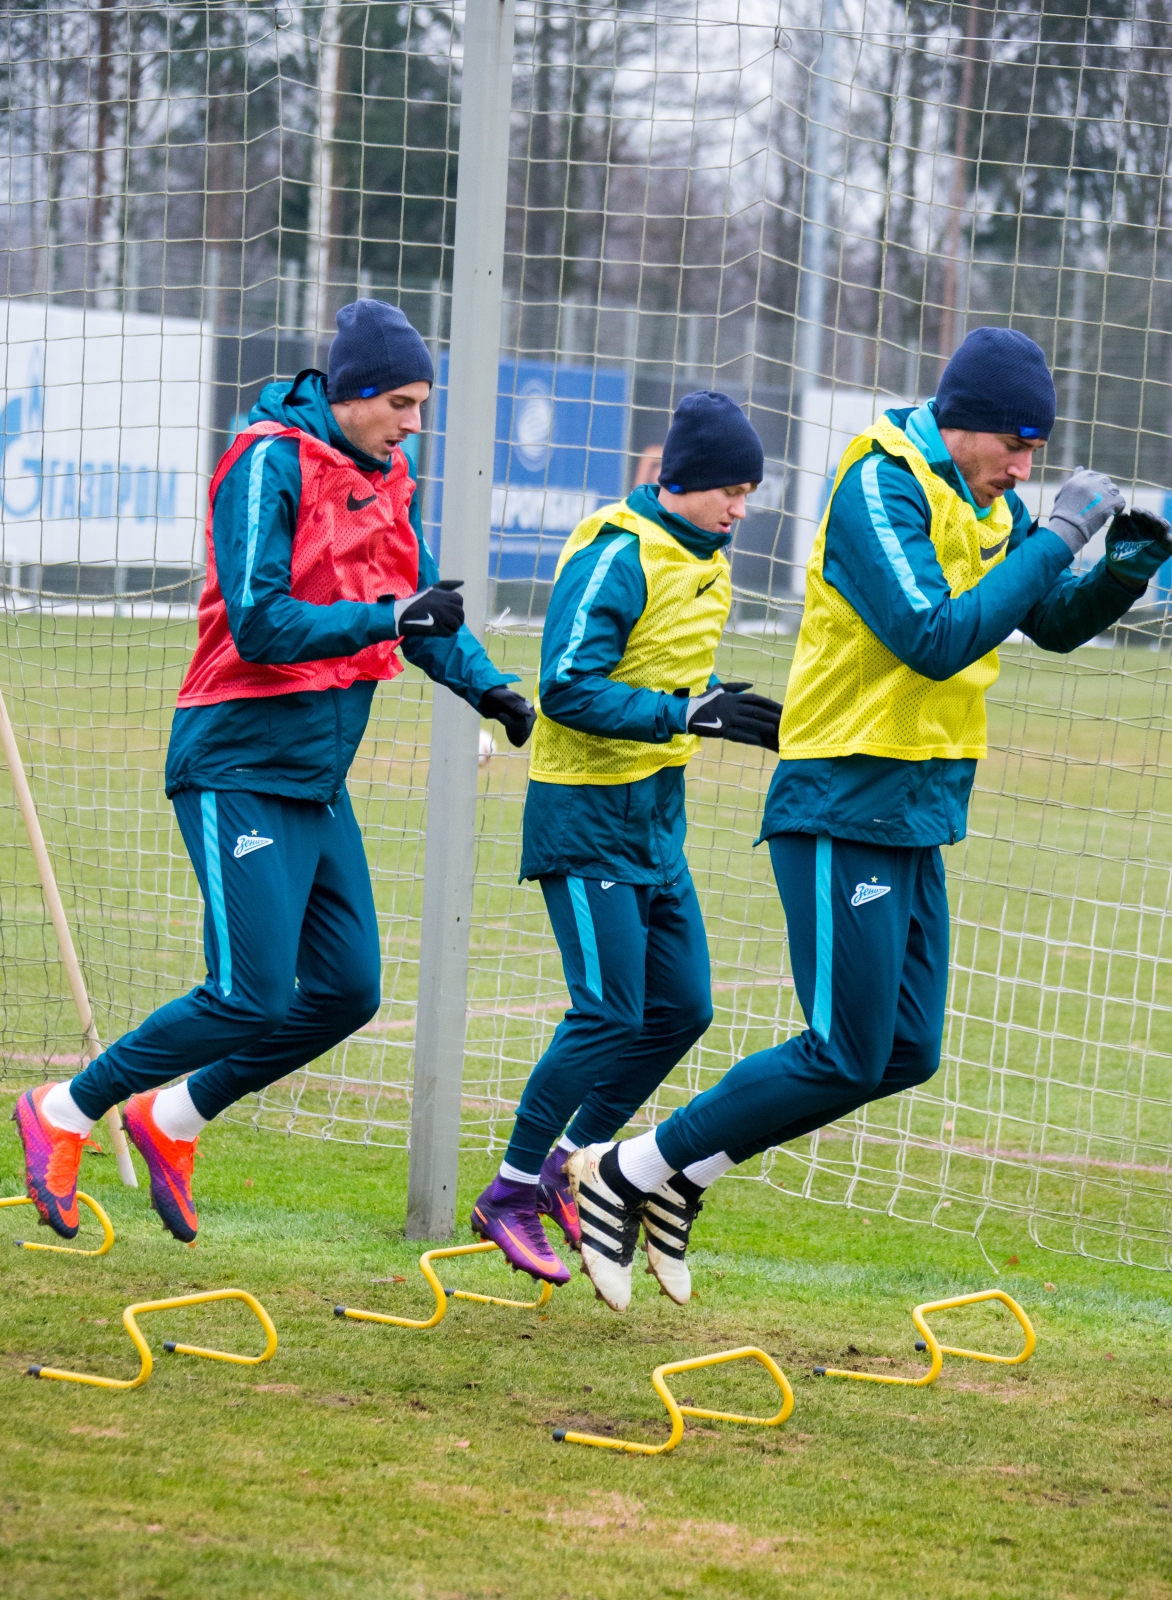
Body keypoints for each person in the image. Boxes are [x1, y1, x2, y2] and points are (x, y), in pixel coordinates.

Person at [564, 326, 1172, 1307]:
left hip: (917, 801)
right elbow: (933, 637)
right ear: (964, 424)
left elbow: (1048, 620)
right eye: (1013, 446)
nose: (1022, 468)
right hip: (839, 794)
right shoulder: (876, 482)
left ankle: (682, 1177)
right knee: (843, 1046)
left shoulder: (988, 499)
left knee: (902, 1051)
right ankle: (621, 1171)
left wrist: (1123, 561)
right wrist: (1059, 532)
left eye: (1032, 455)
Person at [14, 299, 535, 1243]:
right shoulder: (265, 462)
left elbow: (416, 611)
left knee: (347, 991)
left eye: (423, 405)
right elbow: (259, 623)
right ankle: (62, 1109)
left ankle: (173, 1118)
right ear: (354, 394)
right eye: (403, 404)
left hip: (315, 777)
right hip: (237, 760)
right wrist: (388, 622)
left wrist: (488, 688)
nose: (416, 423)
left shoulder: (388, 476)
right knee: (248, 992)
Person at [467, 391, 783, 1307]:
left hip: (655, 816)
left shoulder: (708, 561)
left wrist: (714, 699)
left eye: (749, 492)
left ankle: (575, 1163)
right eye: (728, 488)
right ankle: (512, 1189)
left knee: (681, 1008)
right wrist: (685, 712)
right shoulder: (616, 552)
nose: (739, 507)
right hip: (586, 812)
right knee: (606, 1012)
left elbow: (666, 672)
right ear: (677, 481)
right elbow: (566, 688)